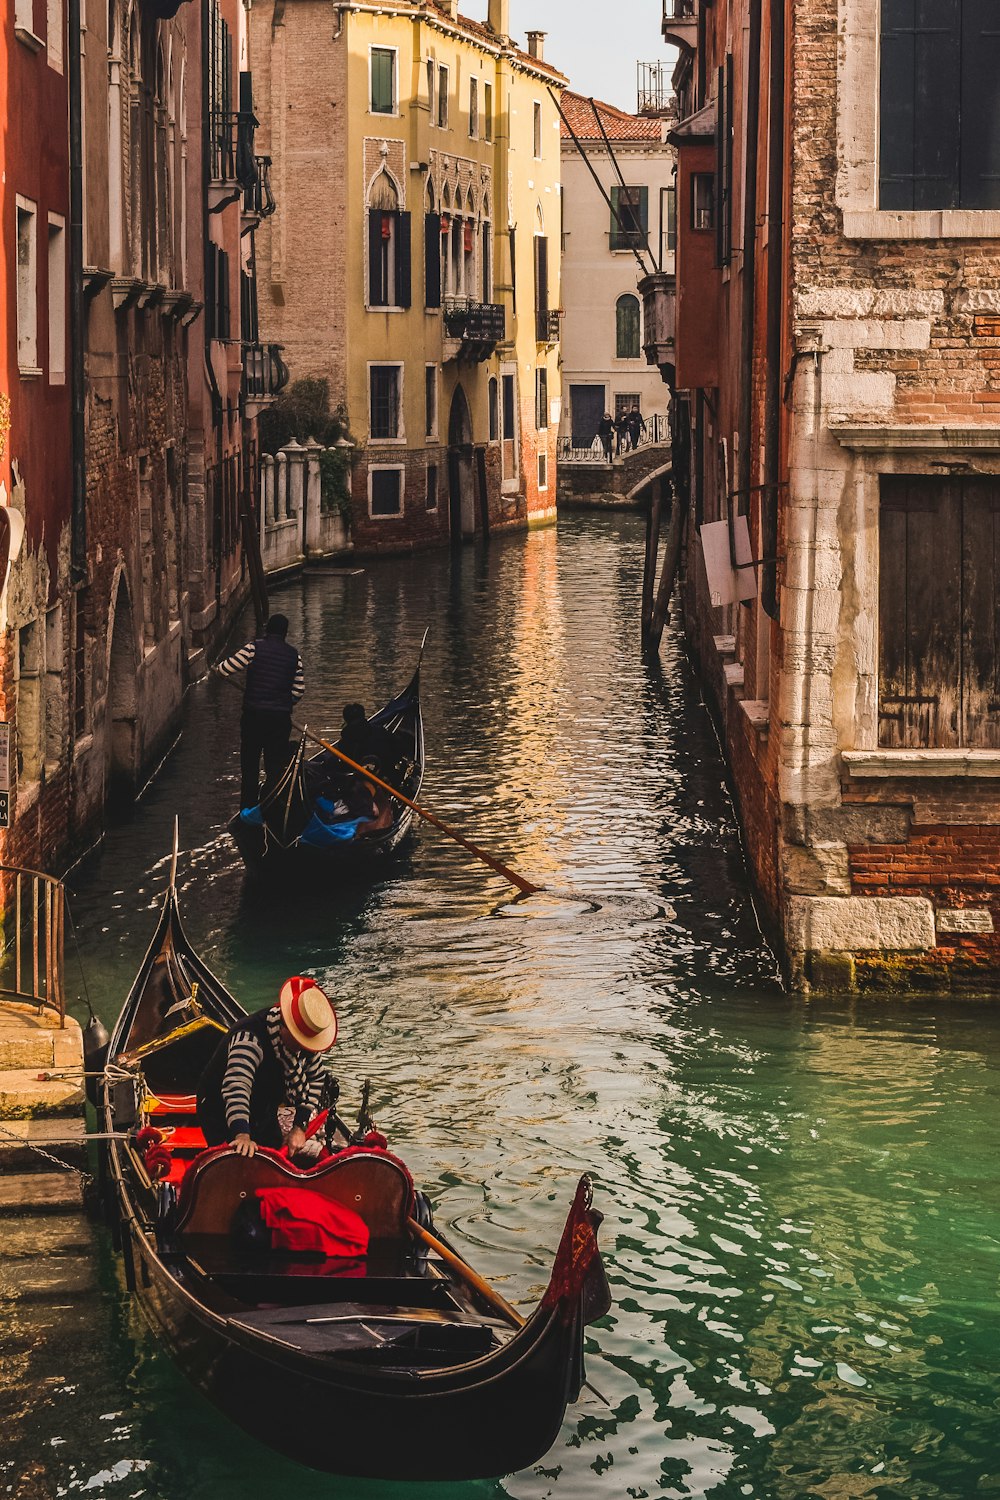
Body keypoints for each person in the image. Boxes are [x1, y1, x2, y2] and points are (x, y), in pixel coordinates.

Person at [196, 977, 337, 1157]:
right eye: (299, 1041)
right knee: (232, 1159)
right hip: (218, 1106)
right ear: (285, 1027)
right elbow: (237, 1088)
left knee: (271, 1151)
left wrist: (300, 1126)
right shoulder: (249, 1039)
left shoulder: (305, 1043)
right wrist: (242, 1135)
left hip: (264, 1100)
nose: (302, 1049)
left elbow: (316, 1077)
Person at [217, 613, 305, 810]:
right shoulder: (294, 655)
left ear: (268, 630)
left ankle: (247, 808)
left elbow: (224, 669)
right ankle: (272, 807)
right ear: (285, 633)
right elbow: (299, 691)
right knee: (274, 767)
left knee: (250, 765)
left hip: (254, 717)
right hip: (279, 720)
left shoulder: (253, 648)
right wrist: (283, 701)